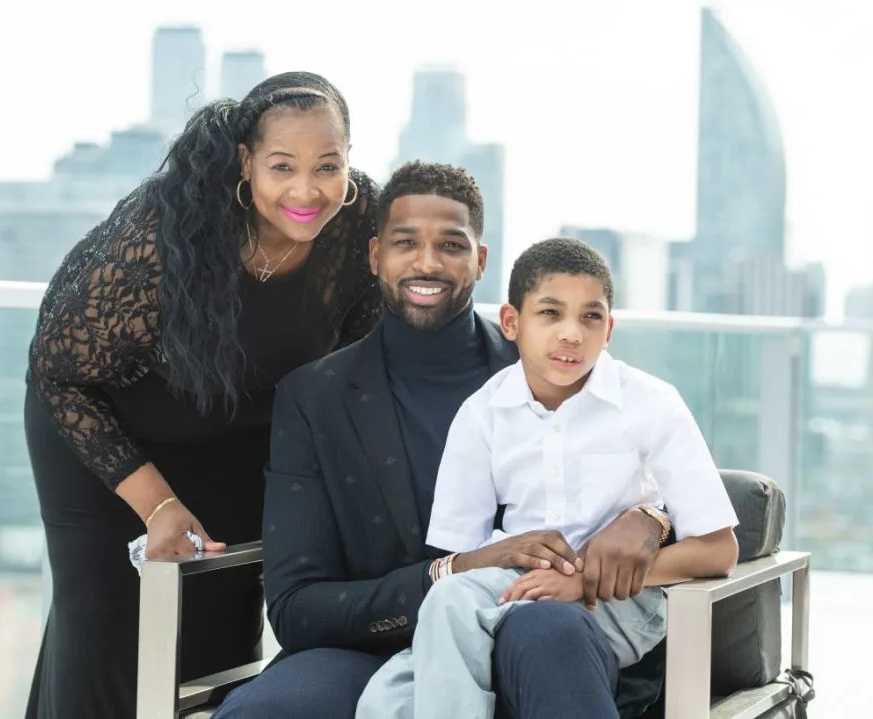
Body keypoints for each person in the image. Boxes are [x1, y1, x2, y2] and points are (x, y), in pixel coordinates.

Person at [214, 163, 674, 719]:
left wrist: (651, 516)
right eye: (405, 243)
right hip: (369, 646)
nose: (427, 263)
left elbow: (666, 470)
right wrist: (454, 570)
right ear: (375, 255)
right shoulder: (315, 398)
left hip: (523, 630)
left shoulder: (555, 367)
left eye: (451, 245)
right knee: (264, 713)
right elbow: (296, 609)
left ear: (480, 261)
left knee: (550, 632)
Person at [24, 71, 381, 719]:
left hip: (236, 433)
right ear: (246, 163)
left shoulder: (360, 228)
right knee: (103, 633)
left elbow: (352, 375)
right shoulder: (166, 231)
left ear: (349, 158)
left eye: (327, 165)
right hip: (105, 430)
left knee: (215, 640)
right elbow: (60, 374)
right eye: (282, 167)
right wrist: (156, 503)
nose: (307, 190)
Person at [355, 236, 740, 719]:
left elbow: (720, 550)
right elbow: (460, 557)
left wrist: (581, 582)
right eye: (551, 313)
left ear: (610, 329)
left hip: (619, 601)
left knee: (445, 645)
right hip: (512, 586)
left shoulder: (651, 404)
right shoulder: (482, 413)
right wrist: (520, 574)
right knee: (386, 695)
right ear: (512, 322)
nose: (572, 334)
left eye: (590, 317)